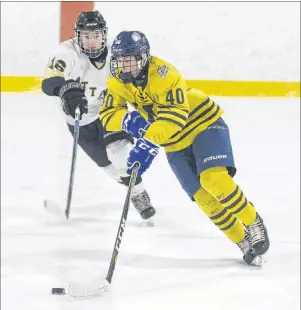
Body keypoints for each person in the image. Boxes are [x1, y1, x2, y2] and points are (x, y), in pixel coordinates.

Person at [99, 30, 270, 266]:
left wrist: (147, 140)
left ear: (144, 58)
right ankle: (242, 242)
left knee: (213, 180)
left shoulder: (165, 75)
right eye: (119, 60)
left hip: (202, 124)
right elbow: (108, 115)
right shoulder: (117, 81)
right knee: (203, 198)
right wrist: (129, 121)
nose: (123, 66)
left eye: (129, 60)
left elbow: (173, 122)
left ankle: (253, 222)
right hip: (173, 144)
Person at [41, 12, 155, 220]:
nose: (92, 41)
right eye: (86, 36)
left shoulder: (118, 53)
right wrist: (65, 89)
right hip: (79, 118)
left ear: (104, 35)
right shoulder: (66, 52)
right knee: (106, 165)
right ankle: (131, 186)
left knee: (120, 153)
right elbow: (49, 82)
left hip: (109, 111)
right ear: (78, 36)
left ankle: (139, 194)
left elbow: (139, 77)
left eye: (96, 35)